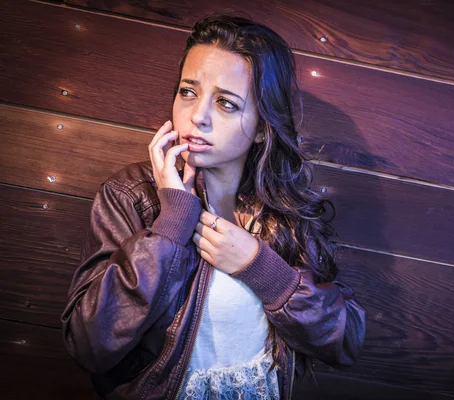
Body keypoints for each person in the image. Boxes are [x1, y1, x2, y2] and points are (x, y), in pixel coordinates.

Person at [61, 15, 366, 400]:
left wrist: (262, 269)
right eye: (188, 92)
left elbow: (343, 340)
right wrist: (171, 224)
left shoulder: (284, 212)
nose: (197, 116)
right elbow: (89, 344)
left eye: (225, 102)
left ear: (261, 127)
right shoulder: (131, 197)